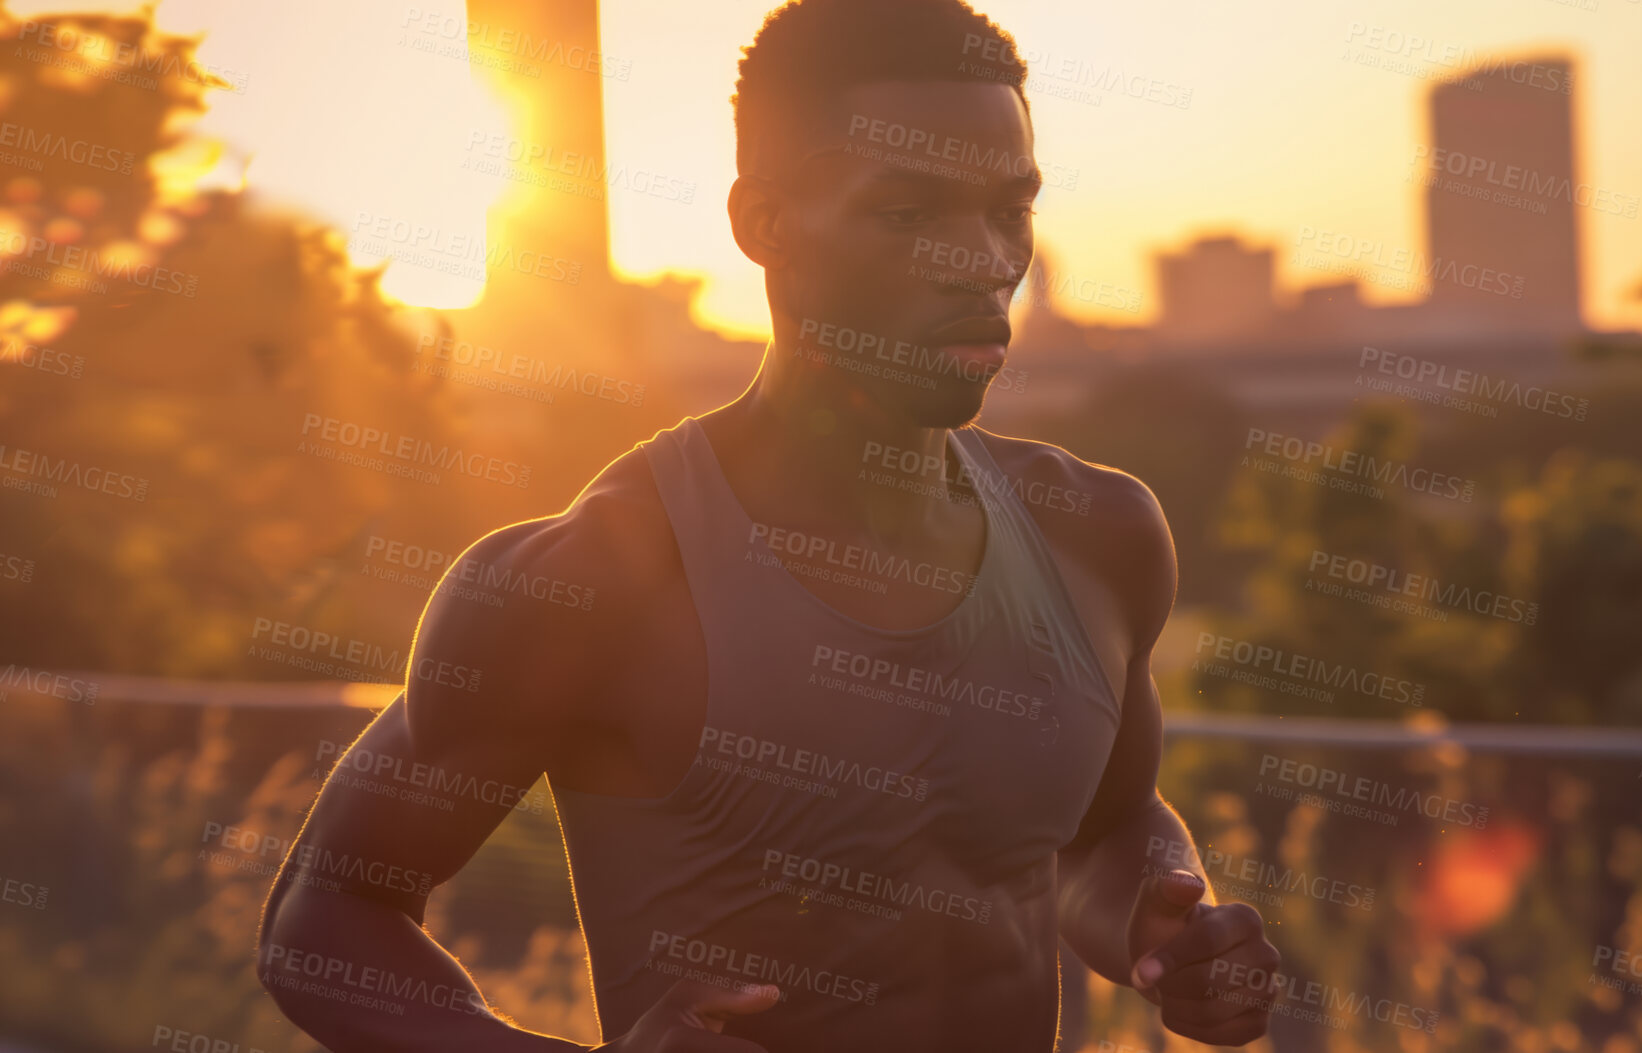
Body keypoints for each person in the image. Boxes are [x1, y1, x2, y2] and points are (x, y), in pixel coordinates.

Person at [255, 1, 1280, 1049]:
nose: (982, 259)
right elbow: (324, 922)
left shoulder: (1099, 534)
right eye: (909, 213)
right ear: (764, 223)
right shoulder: (592, 580)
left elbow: (1101, 838)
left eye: (1008, 208)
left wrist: (1167, 933)